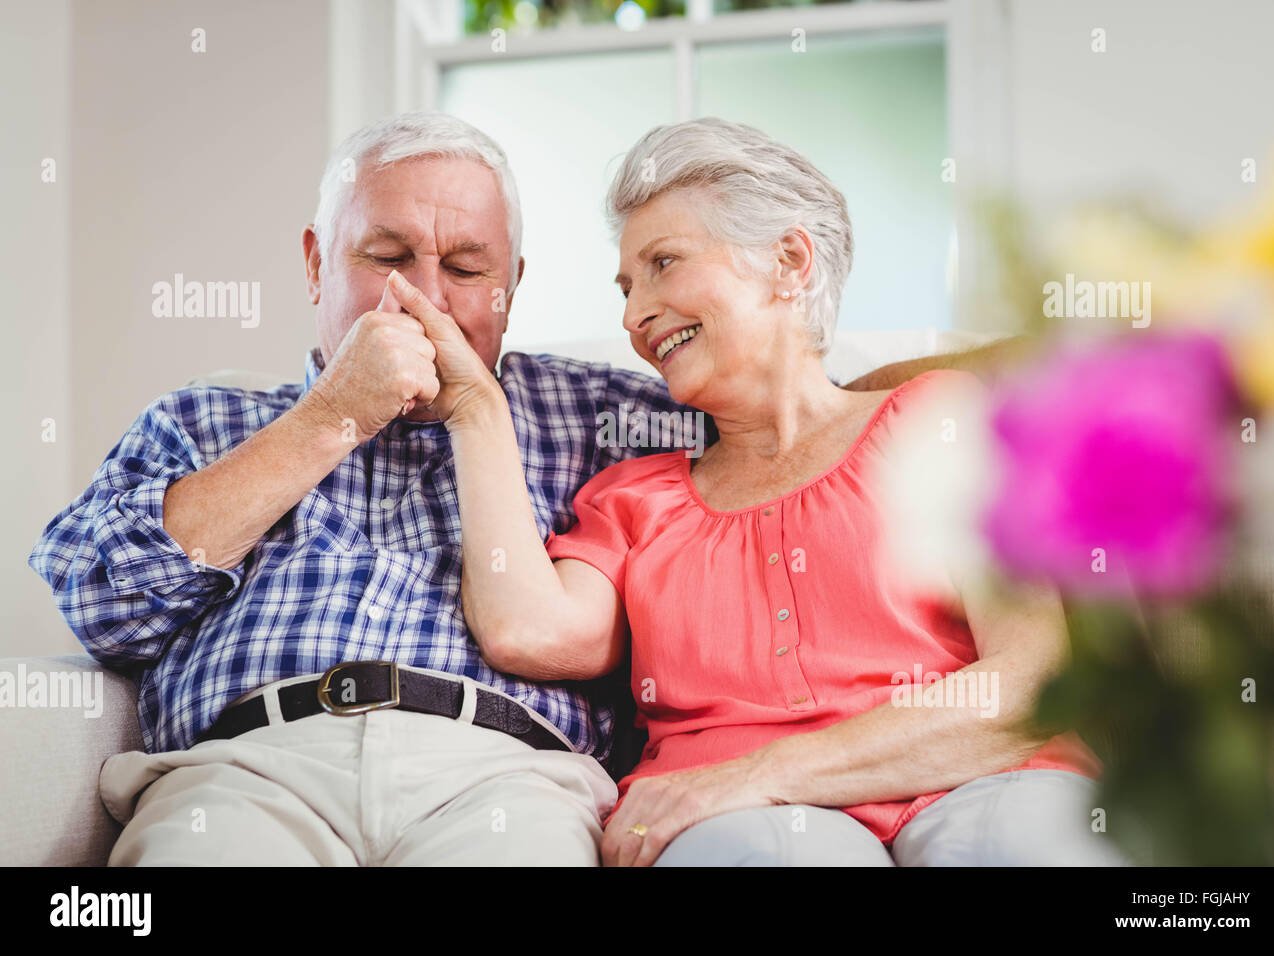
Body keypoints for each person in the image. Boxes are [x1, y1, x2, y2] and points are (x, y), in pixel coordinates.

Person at [29, 110, 916, 867]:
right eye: (387, 256)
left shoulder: (615, 414)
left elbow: (798, 415)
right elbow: (102, 606)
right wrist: (327, 419)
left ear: (512, 286)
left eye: (464, 268)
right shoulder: (209, 419)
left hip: (510, 775)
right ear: (314, 264)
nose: (425, 299)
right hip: (245, 768)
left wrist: (959, 392)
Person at [447, 117, 1130, 867]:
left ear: (789, 260)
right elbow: (525, 629)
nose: (633, 313)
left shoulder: (938, 420)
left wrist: (759, 775)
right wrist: (476, 405)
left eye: (664, 263)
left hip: (982, 779)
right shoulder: (634, 496)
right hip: (743, 830)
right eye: (626, 286)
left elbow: (1031, 679)